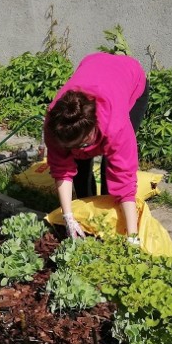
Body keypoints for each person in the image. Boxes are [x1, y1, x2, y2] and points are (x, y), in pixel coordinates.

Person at [43, 52, 149, 241]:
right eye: (72, 147)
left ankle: (113, 223)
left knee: (112, 168)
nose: (79, 150)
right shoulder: (56, 122)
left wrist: (133, 236)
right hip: (94, 64)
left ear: (93, 128)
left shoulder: (116, 126)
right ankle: (86, 216)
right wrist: (68, 216)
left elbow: (124, 179)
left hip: (130, 78)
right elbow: (61, 169)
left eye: (83, 144)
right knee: (81, 168)